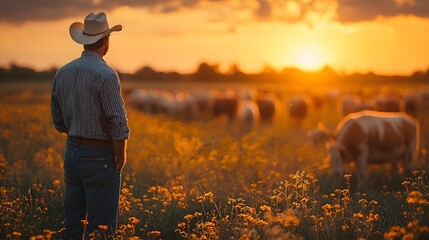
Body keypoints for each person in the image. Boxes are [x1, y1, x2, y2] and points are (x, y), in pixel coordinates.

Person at [50, 12, 130, 239]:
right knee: (101, 227)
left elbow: (57, 119)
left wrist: (77, 133)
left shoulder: (62, 72)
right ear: (106, 41)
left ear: (84, 40)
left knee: (73, 223)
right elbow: (117, 120)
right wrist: (120, 154)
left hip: (72, 151)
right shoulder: (106, 74)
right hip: (99, 155)